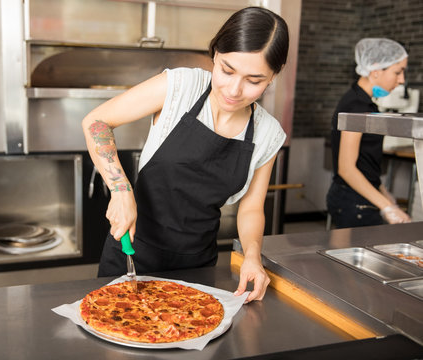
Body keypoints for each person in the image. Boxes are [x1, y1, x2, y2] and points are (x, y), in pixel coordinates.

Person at [82, 6, 289, 303]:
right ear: (216, 54)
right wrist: (121, 189)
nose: (234, 89)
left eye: (254, 80)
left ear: (272, 76)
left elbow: (252, 207)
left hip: (197, 264)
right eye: (227, 70)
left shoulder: (268, 133)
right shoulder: (181, 87)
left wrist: (252, 257)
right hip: (132, 251)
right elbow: (96, 122)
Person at [327, 38, 411, 229]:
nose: (401, 80)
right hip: (353, 202)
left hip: (360, 197)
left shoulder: (363, 103)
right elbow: (346, 169)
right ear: (375, 71)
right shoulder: (356, 106)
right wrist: (387, 207)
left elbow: (365, 163)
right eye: (397, 72)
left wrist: (383, 192)